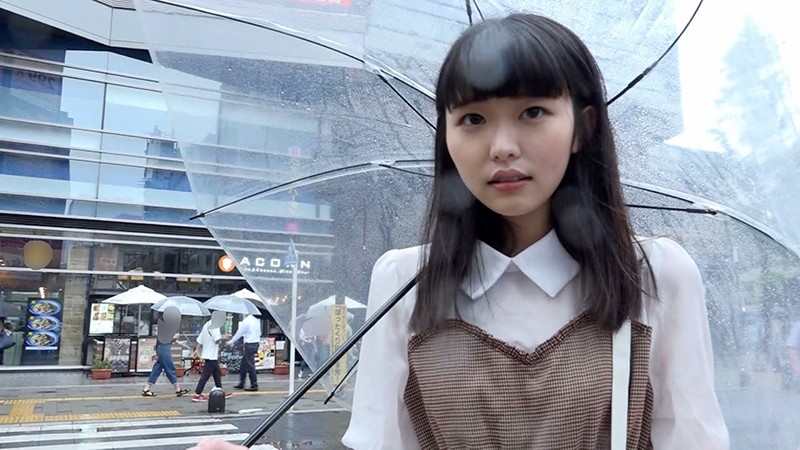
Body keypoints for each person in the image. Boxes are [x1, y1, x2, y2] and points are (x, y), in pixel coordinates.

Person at [340, 14, 729, 449]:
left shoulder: (652, 275)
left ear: (583, 128)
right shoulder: (404, 281)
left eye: (532, 112)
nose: (502, 147)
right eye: (473, 118)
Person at [142, 306, 190, 397]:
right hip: (163, 349)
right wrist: (174, 337)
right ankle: (177, 389)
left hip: (162, 348)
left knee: (157, 369)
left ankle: (146, 388)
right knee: (170, 368)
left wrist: (178, 342)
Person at [192, 310, 233, 402]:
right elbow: (217, 340)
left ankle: (219, 390)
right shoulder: (215, 325)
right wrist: (225, 337)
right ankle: (197, 393)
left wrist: (197, 350)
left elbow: (200, 339)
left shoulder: (206, 324)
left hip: (209, 354)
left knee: (217, 373)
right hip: (211, 355)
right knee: (205, 375)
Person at [227, 313, 261, 391]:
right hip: (255, 343)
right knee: (244, 364)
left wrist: (231, 341)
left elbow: (239, 333)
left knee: (250, 364)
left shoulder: (246, 321)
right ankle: (242, 382)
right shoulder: (257, 320)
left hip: (249, 343)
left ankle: (254, 384)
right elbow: (259, 333)